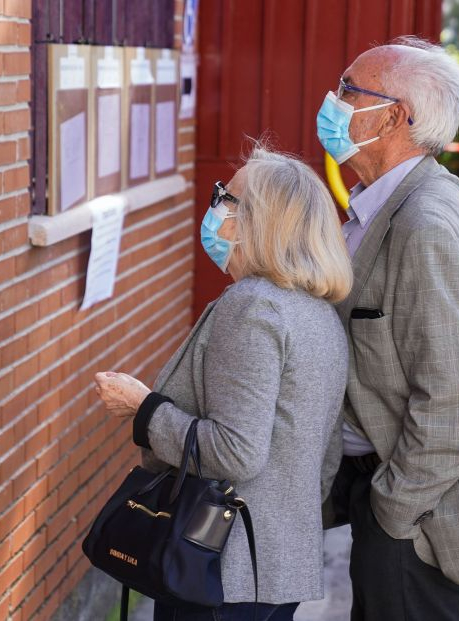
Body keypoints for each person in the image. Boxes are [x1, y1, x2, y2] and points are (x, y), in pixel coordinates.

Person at [94, 146, 353, 621]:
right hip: (276, 563)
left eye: (225, 198)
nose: (214, 210)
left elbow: (236, 452)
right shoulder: (318, 314)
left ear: (259, 222)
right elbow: (325, 453)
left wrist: (144, 408)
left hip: (218, 565)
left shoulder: (252, 307)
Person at [317, 36, 459, 621]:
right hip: (384, 489)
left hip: (414, 511)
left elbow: (453, 400)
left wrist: (393, 507)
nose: (333, 102)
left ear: (394, 116)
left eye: (348, 90)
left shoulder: (424, 223)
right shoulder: (384, 201)